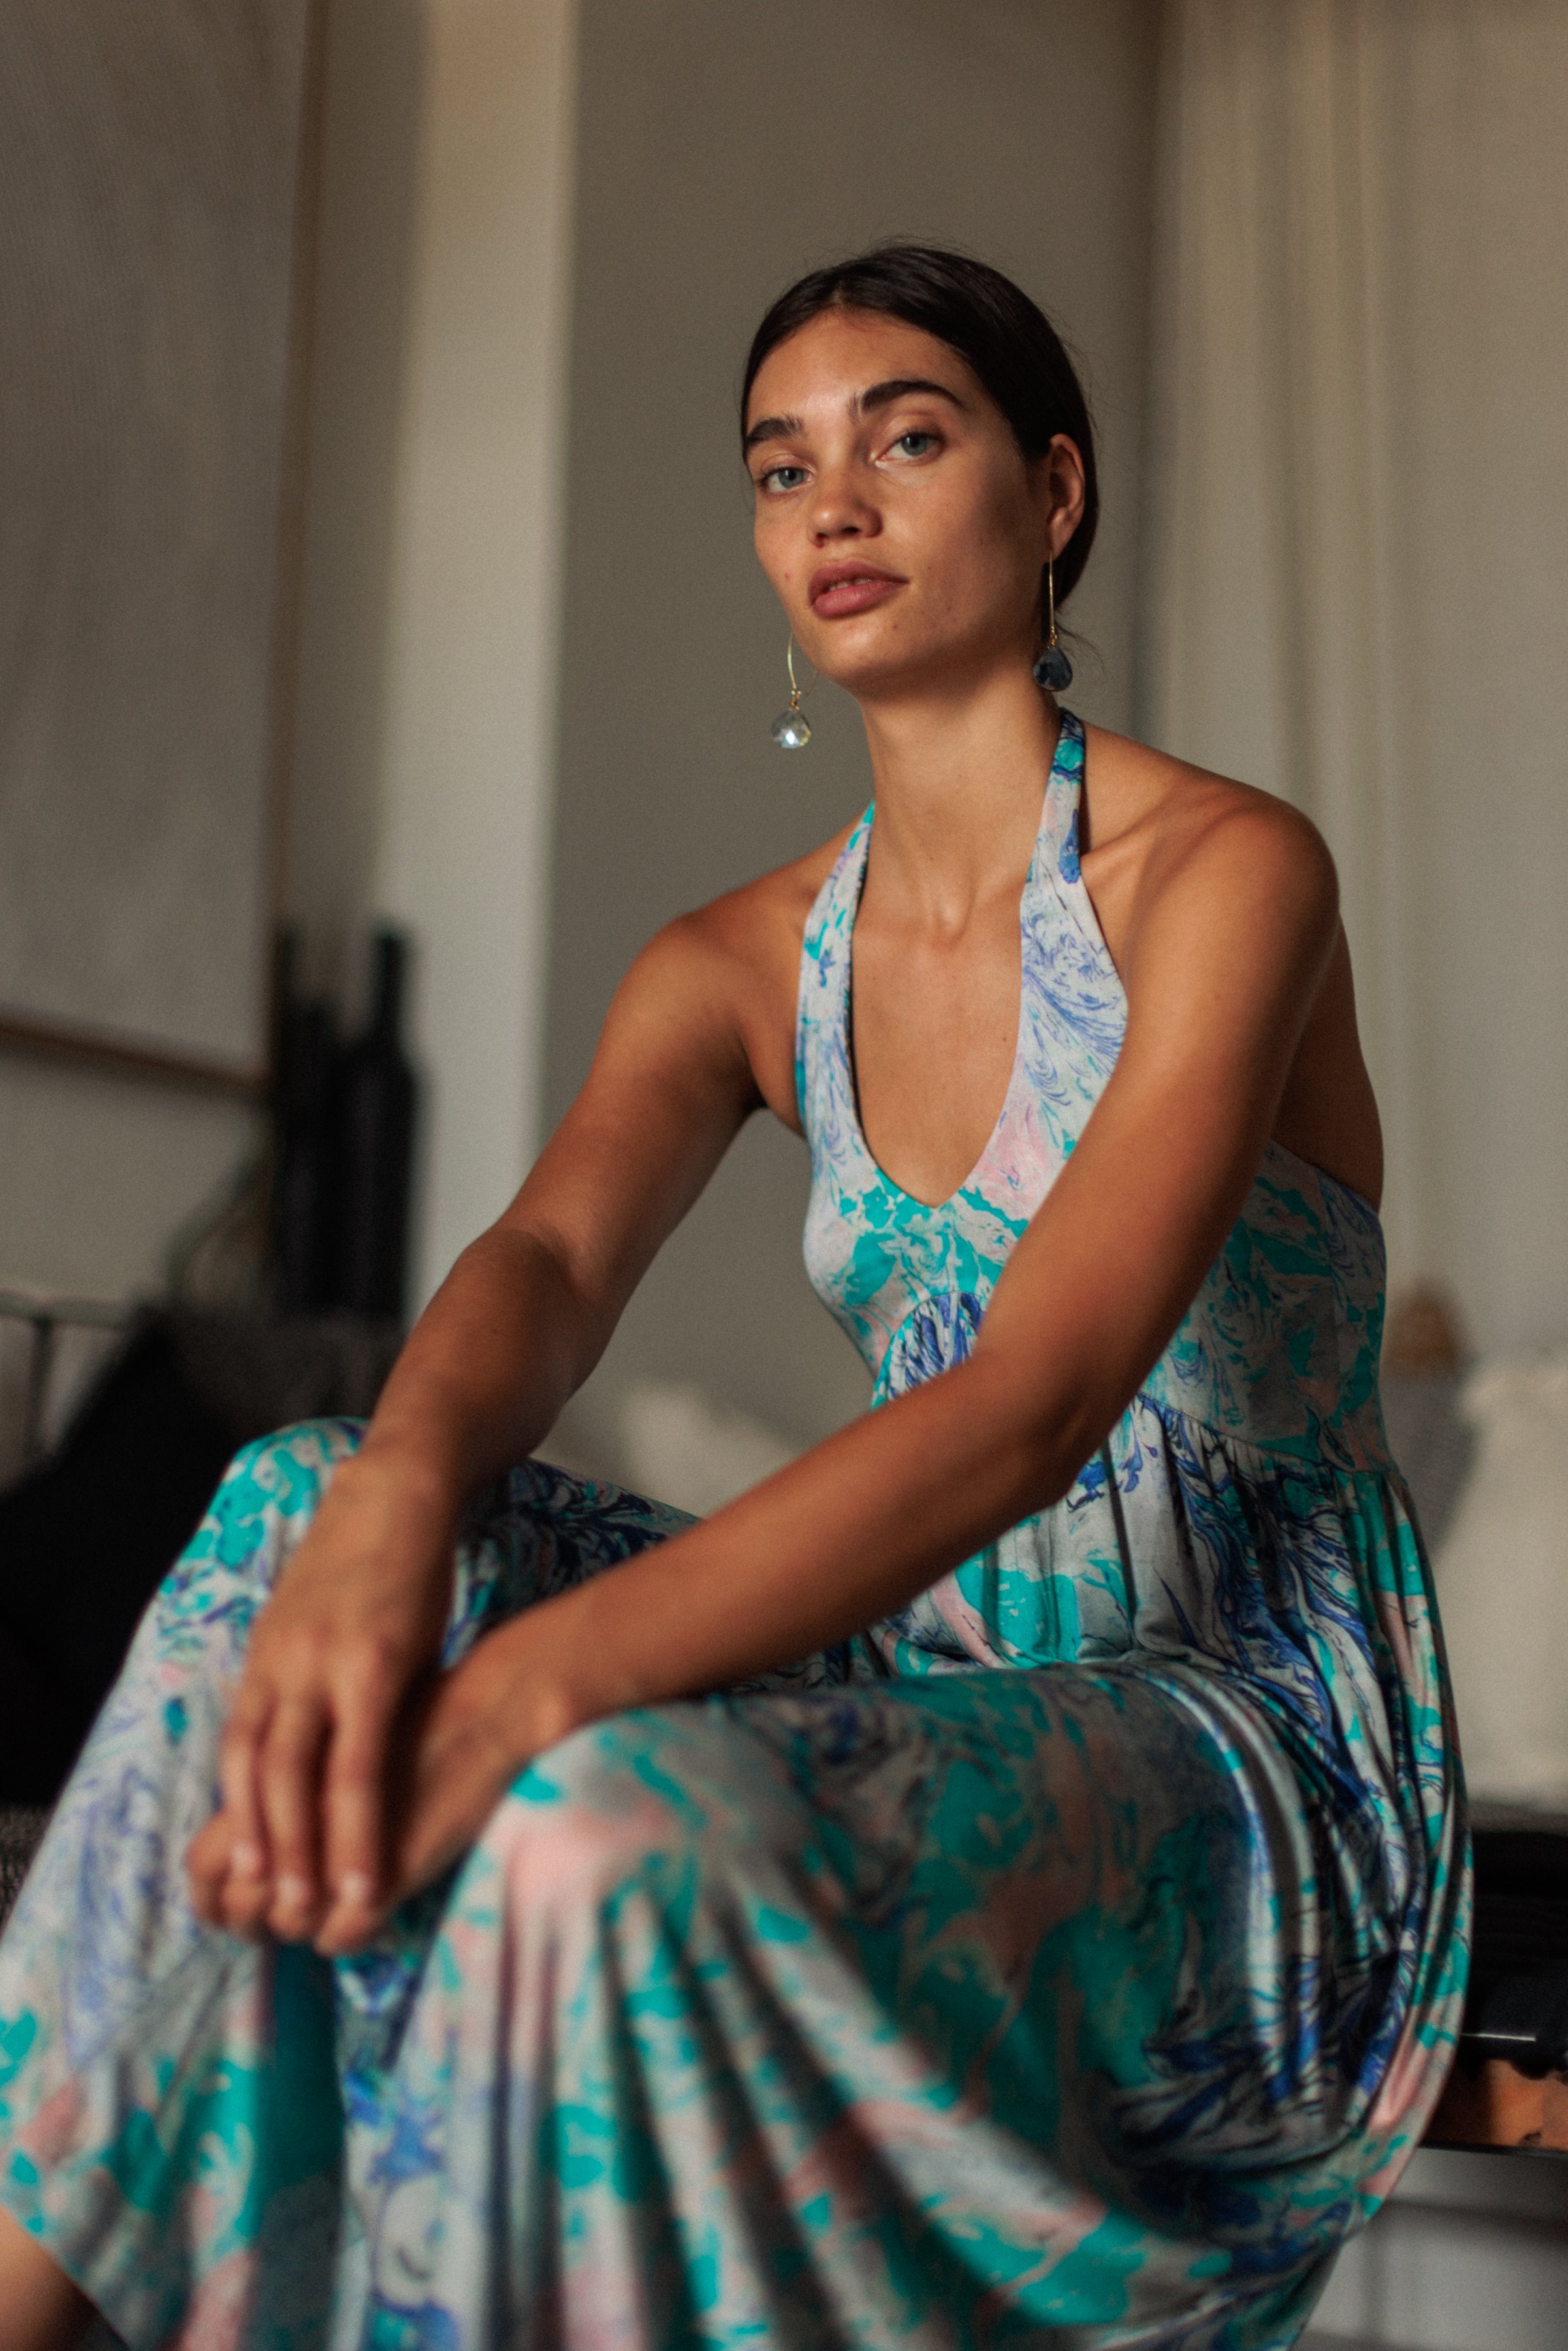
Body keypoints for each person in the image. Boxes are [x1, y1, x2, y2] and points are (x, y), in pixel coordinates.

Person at [0, 246, 1466, 2351]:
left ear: (1053, 495)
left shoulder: (1227, 876)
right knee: (303, 1492)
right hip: (933, 1667)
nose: (835, 505)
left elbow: (1040, 1395)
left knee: (593, 1812)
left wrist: (522, 1687)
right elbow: (546, 1259)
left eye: (907, 437)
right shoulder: (730, 966)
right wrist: (404, 1497)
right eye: (782, 469)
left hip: (1233, 1741)